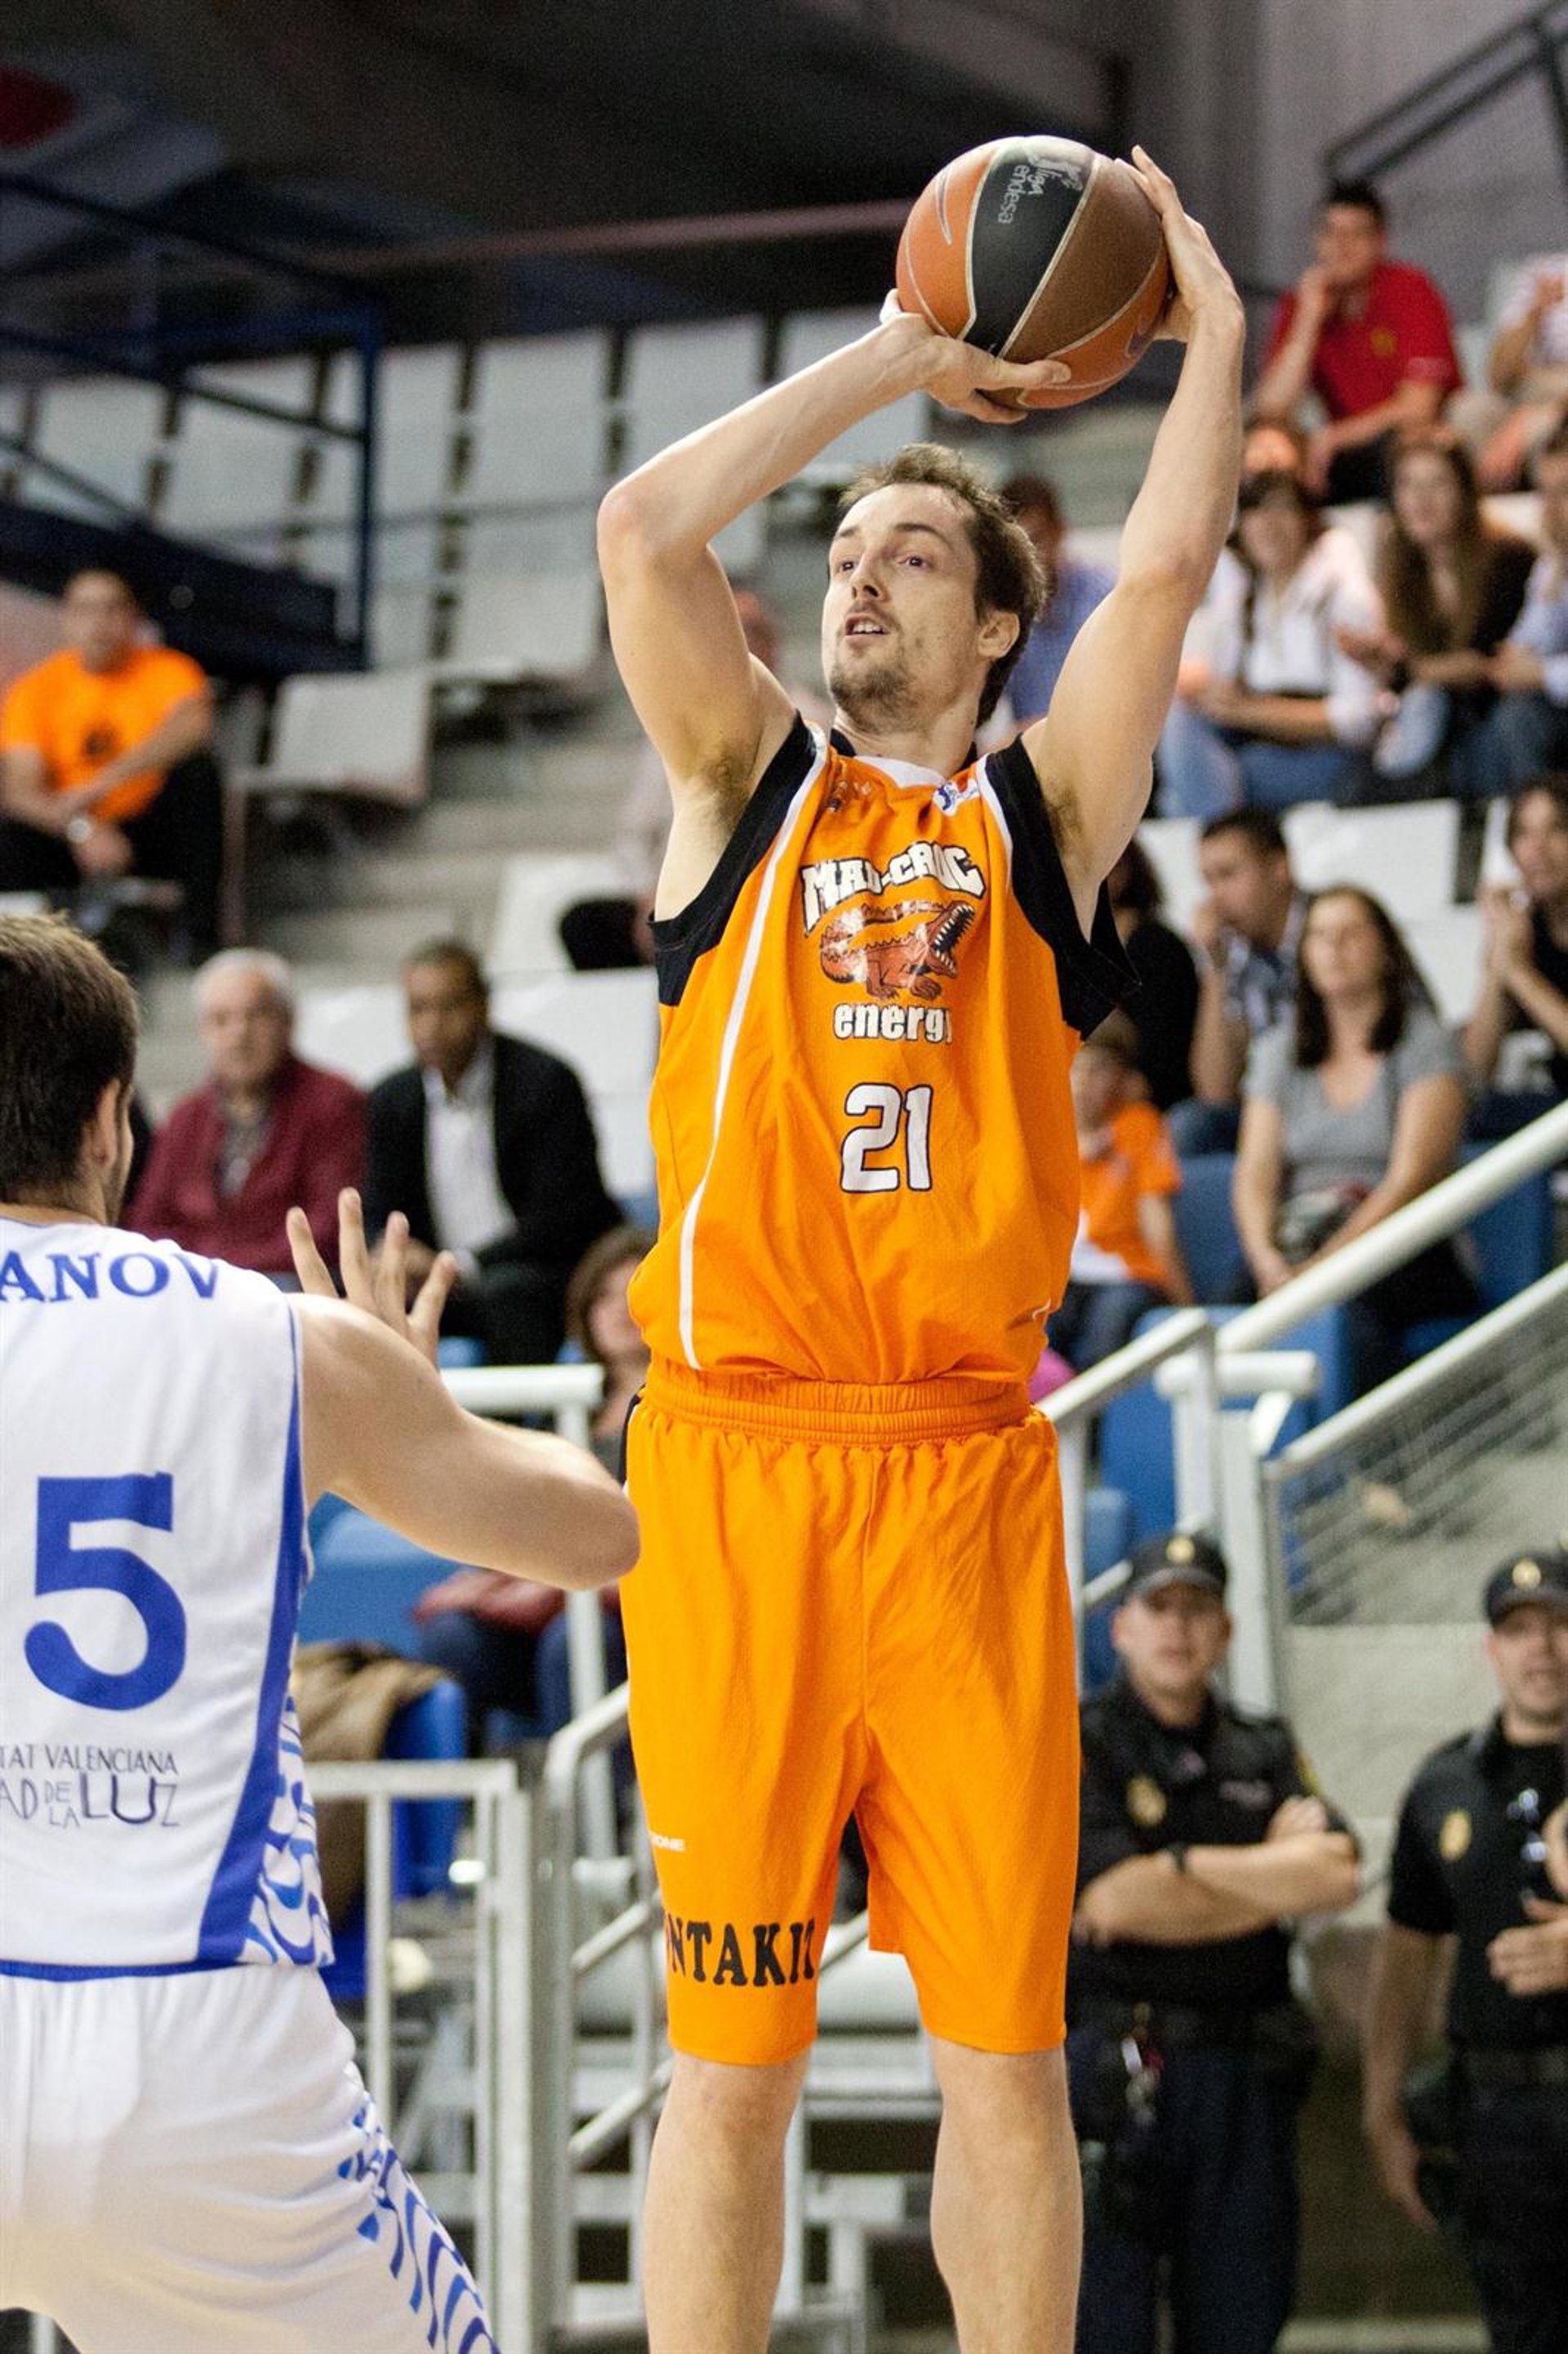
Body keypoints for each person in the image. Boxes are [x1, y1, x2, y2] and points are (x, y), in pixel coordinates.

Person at [595, 144, 1243, 2354]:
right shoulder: (738, 782)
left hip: (962, 1479)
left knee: (1007, 2058)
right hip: (738, 1468)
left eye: (917, 552)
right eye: (847, 548)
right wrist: (901, 357)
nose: (862, 569)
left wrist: (1216, 338)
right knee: (729, 2069)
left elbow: (1168, 574)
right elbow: (645, 532)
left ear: (992, 633)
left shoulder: (1038, 822)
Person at [0, 912, 636, 2350]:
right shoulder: (274, 1334)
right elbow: (600, 1535)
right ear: (111, 1119)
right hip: (194, 2057)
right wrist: (410, 1400)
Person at [1070, 1531, 1359, 2354]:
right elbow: (1111, 1900)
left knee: (1242, 2318)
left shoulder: (1264, 1746)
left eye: (1197, 1608)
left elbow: (1336, 1875)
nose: (1178, 1627)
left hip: (1243, 2073)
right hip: (1115, 2070)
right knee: (1102, 2324)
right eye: (1159, 1606)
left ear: (1226, 1630)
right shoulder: (1084, 1740)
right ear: (1121, 1625)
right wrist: (1270, 1872)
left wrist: (1179, 1873)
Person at [1363, 1549, 1568, 2354]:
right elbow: (1406, 1958)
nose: (1543, 1648)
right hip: (1499, 2113)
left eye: (1560, 1624)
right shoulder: (1445, 1784)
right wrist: (1382, 2109)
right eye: (1520, 1630)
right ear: (1491, 1648)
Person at [412, 1222, 653, 1737]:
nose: (617, 1309)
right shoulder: (558, 1412)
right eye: (603, 1295)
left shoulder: (679, 1416)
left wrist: (549, 1589)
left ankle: (591, 1791)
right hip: (548, 1593)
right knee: (453, 1637)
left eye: (632, 1290)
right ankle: (485, 1789)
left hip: (633, 1607)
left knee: (576, 1643)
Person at [1233, 885, 1473, 1391]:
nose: (1333, 948)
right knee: (1230, 1298)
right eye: (1319, 936)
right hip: (1302, 1233)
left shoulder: (1425, 1042)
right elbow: (1254, 1172)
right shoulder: (1278, 1050)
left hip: (1399, 1242)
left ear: (1386, 949)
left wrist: (1325, 1270)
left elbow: (1412, 1178)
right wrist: (1266, 1259)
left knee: (1348, 1316)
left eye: (1349, 933)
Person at [362, 938, 619, 1366]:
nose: (432, 1026)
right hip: (436, 1282)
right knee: (352, 1292)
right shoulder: (391, 1099)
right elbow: (379, 1205)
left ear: (483, 1005)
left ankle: (523, 1412)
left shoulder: (545, 1082)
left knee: (511, 1294)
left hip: (536, 1274)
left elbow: (561, 1219)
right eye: (418, 1009)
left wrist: (456, 1265)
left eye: (449, 1007)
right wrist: (393, 1257)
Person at [559, 591, 826, 970]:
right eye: (728, 631)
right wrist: (648, 894)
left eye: (750, 632)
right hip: (675, 889)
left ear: (773, 644)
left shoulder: (813, 725)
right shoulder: (676, 719)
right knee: (584, 925)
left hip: (767, 886)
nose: (738, 643)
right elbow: (634, 832)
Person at [0, 568, 223, 962]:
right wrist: (81, 828)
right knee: (13, 829)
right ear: (67, 619)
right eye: (86, 610)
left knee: (199, 775)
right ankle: (22, 955)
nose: (99, 623)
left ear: (134, 617)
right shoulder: (36, 690)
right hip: (68, 831)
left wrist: (100, 785)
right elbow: (20, 790)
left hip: (147, 826)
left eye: (112, 609)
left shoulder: (170, 670)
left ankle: (200, 942)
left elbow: (193, 728)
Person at [1161, 469, 1386, 817]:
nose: (1268, 523)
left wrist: (1249, 711)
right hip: (1260, 739)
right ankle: (1224, 826)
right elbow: (1227, 682)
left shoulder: (1343, 594)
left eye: (1282, 508)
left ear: (1307, 520)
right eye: (1255, 511)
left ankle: (1224, 826)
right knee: (1181, 720)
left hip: (1330, 754)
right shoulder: (1246, 596)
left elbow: (1358, 721)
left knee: (1204, 787)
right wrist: (1208, 691)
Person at [131, 948, 365, 1277]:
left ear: (288, 1021)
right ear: (203, 1031)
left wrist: (220, 1268)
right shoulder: (186, 1116)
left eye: (256, 1015)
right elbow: (147, 1225)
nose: (239, 1033)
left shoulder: (333, 1102)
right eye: (221, 1019)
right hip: (198, 1287)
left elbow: (329, 1229)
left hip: (291, 1288)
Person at [1340, 429, 1536, 798]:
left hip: (1494, 713)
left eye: (1437, 484)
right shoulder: (1400, 567)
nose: (1420, 500)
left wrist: (1406, 669)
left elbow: (1490, 663)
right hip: (1437, 721)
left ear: (1465, 492)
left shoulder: (1507, 558)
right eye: (1408, 485)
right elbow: (1406, 664)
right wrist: (1378, 658)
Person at [1252, 181, 1461, 502]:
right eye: (1331, 233)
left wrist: (1332, 438)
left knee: (1407, 441)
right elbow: (1273, 407)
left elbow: (1419, 408)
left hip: (1410, 440)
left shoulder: (1410, 289)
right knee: (1266, 441)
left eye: (1355, 234)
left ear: (1380, 241)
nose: (1341, 246)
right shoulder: (1303, 302)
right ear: (1316, 240)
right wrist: (1308, 321)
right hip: (1344, 451)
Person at [1055, 1021, 1191, 1369]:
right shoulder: (1048, 1130)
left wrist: (1185, 1303)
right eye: (1076, 1066)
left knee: (1109, 1324)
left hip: (1128, 1276)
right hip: (1067, 1277)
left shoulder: (1140, 1126)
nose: (1084, 1081)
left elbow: (1158, 1225)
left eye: (1099, 1069)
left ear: (1122, 1077)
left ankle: (1097, 1408)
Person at [1172, 809, 1306, 1158]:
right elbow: (1215, 1090)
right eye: (1208, 881)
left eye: (1228, 875)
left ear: (1279, 868)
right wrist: (1215, 968)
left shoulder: (1333, 928)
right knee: (1189, 1126)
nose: (1215, 897)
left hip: (1337, 1107)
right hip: (1267, 1114)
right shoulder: (1232, 953)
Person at [1459, 418, 1568, 795]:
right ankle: (1525, 821)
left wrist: (1541, 673)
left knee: (1519, 718)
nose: (1551, 509)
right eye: (1545, 493)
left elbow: (1537, 669)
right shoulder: (1554, 563)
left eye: (1565, 492)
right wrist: (1516, 661)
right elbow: (1526, 643)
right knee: (1495, 725)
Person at [1465, 777, 1568, 1134]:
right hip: (1557, 1107)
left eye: (1556, 830)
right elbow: (1474, 1073)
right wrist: (1500, 953)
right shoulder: (1527, 929)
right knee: (1463, 1115)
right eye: (1524, 833)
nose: (1537, 850)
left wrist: (1520, 974)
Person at [996, 473, 1116, 724]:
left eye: (1036, 540)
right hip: (1032, 743)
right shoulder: (998, 615)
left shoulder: (1103, 595)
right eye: (1015, 547)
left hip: (1103, 734)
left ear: (1059, 531)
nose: (1027, 556)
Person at [1453, 255, 1568, 491]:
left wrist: (1527, 421)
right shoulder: (1547, 271)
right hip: (1527, 391)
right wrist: (1535, 314)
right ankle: (1486, 504)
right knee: (1469, 411)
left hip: (1559, 401)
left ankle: (1554, 506)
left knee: (1547, 429)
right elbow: (1498, 378)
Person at [1105, 834, 1200, 1112]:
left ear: (1119, 873)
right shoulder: (1055, 950)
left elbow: (1165, 1061)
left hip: (1155, 1104)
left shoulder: (1156, 947)